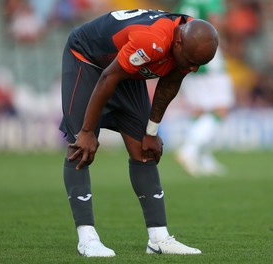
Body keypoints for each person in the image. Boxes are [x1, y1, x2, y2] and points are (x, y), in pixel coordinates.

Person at [59, 9, 218, 257]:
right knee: (81, 147)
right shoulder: (152, 42)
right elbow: (108, 78)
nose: (194, 69)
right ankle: (87, 238)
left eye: (199, 65)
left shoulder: (188, 42)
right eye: (191, 62)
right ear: (178, 42)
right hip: (88, 59)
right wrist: (89, 130)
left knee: (143, 151)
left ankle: (158, 239)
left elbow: (170, 81)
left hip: (124, 65)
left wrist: (152, 131)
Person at [174, 0, 235, 177]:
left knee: (199, 111)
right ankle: (189, 149)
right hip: (208, 57)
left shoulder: (183, 4)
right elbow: (214, 22)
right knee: (221, 109)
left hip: (185, 59)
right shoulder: (210, 2)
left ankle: (203, 158)